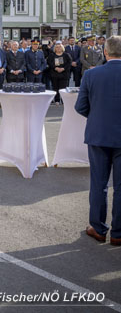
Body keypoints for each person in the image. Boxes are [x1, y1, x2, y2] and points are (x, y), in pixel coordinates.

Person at [75, 35, 121, 247]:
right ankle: (118, 233)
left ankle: (98, 228)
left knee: (99, 183)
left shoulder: (92, 74)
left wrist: (97, 118)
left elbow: (80, 107)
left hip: (99, 134)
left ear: (105, 52)